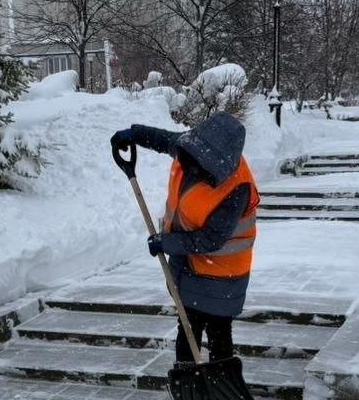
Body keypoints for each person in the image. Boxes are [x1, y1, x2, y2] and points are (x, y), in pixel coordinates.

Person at [111, 112, 259, 364]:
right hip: (188, 265)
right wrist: (134, 134)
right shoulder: (192, 149)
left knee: (218, 332)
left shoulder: (237, 189)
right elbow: (163, 139)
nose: (193, 169)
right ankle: (189, 381)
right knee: (188, 326)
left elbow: (211, 239)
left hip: (223, 274)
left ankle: (220, 388)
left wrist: (166, 243)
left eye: (203, 167)